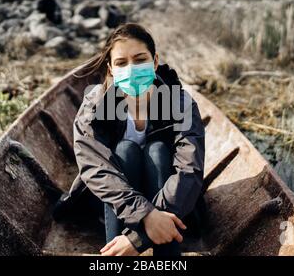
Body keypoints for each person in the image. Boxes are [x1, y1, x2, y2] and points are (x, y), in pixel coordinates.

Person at [53, 22, 205, 256]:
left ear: (155, 62)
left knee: (157, 151)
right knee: (125, 150)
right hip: (115, 201)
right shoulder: (95, 105)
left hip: (170, 201)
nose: (132, 68)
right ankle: (115, 257)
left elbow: (189, 170)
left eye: (140, 59)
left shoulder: (180, 103)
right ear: (111, 69)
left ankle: (165, 257)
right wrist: (145, 215)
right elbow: (96, 169)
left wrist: (137, 239)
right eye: (122, 63)